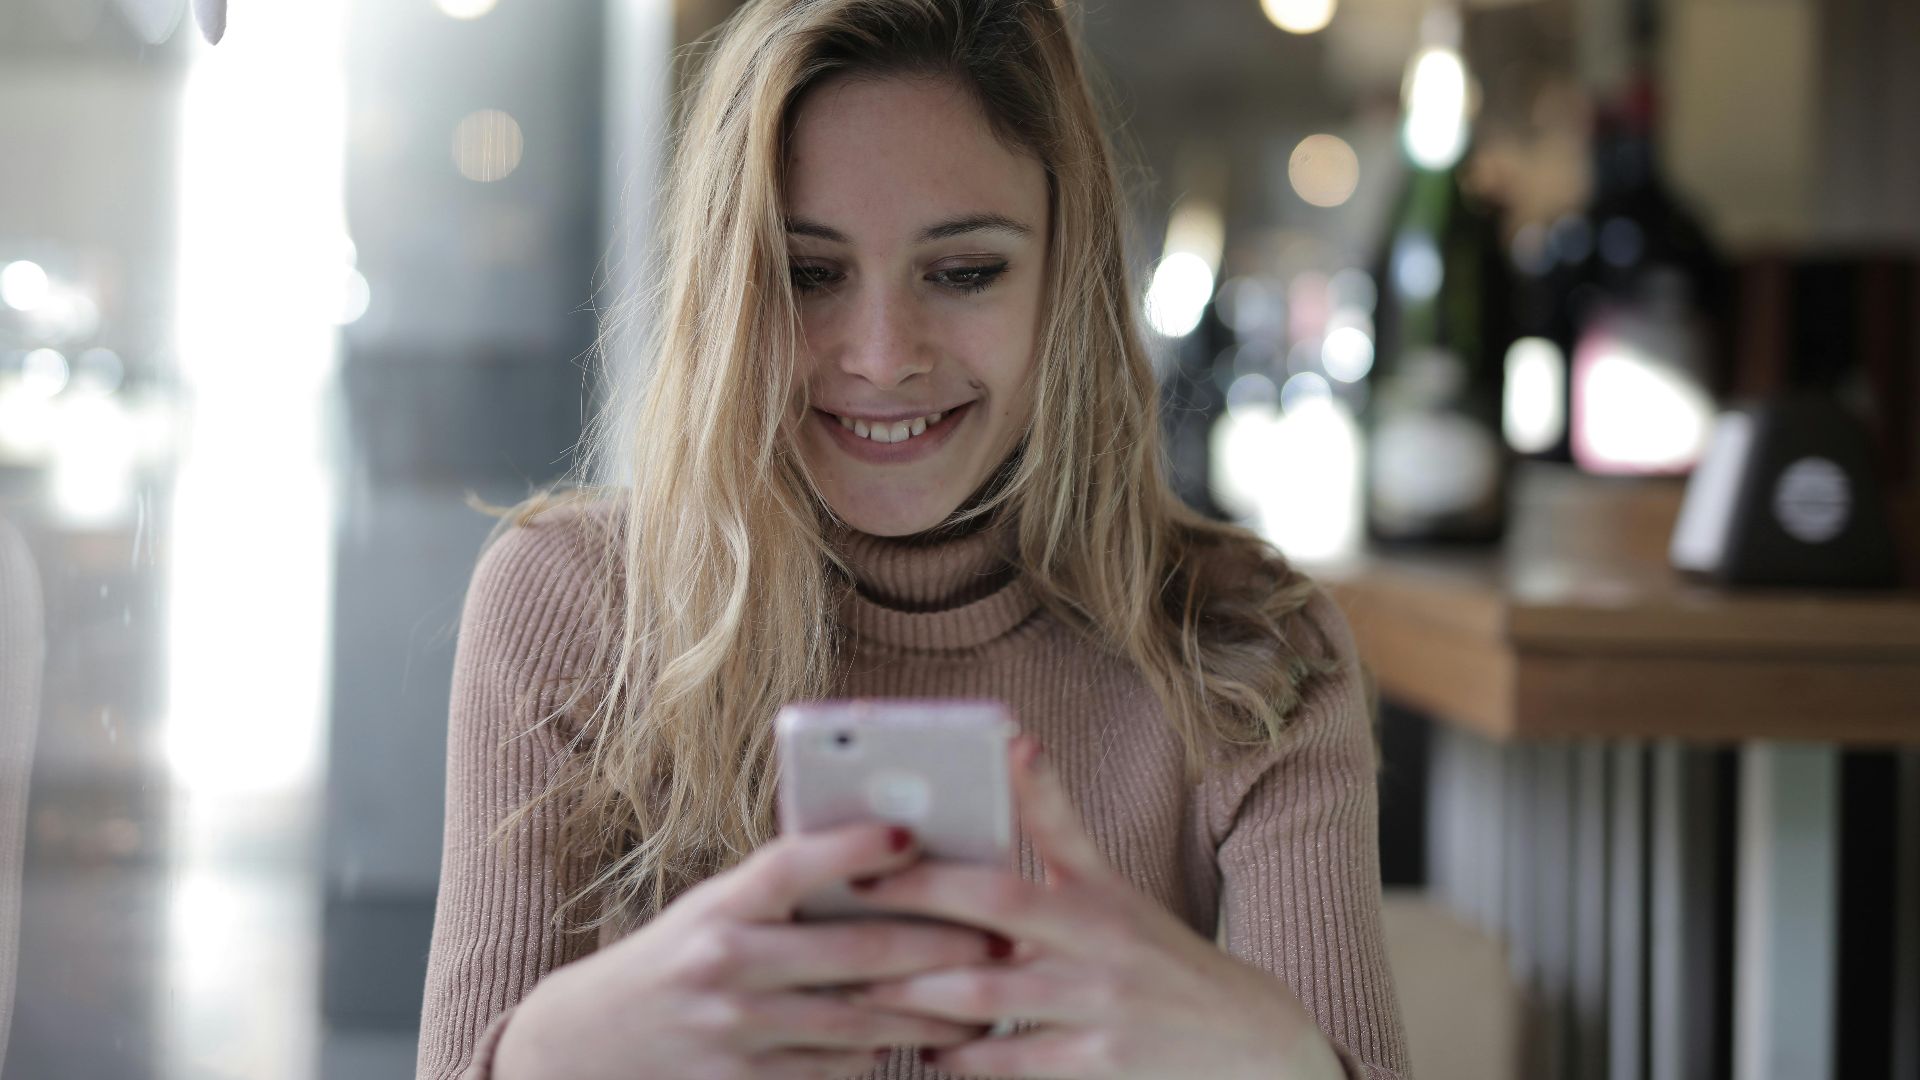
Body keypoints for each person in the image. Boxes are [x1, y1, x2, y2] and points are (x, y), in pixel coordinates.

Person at [415, 1, 1410, 1077]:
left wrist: (1275, 1059)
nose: (885, 356)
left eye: (965, 271)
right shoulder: (572, 606)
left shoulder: (1248, 644)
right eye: (809, 274)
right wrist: (556, 1052)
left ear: (1067, 277)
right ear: (725, 288)